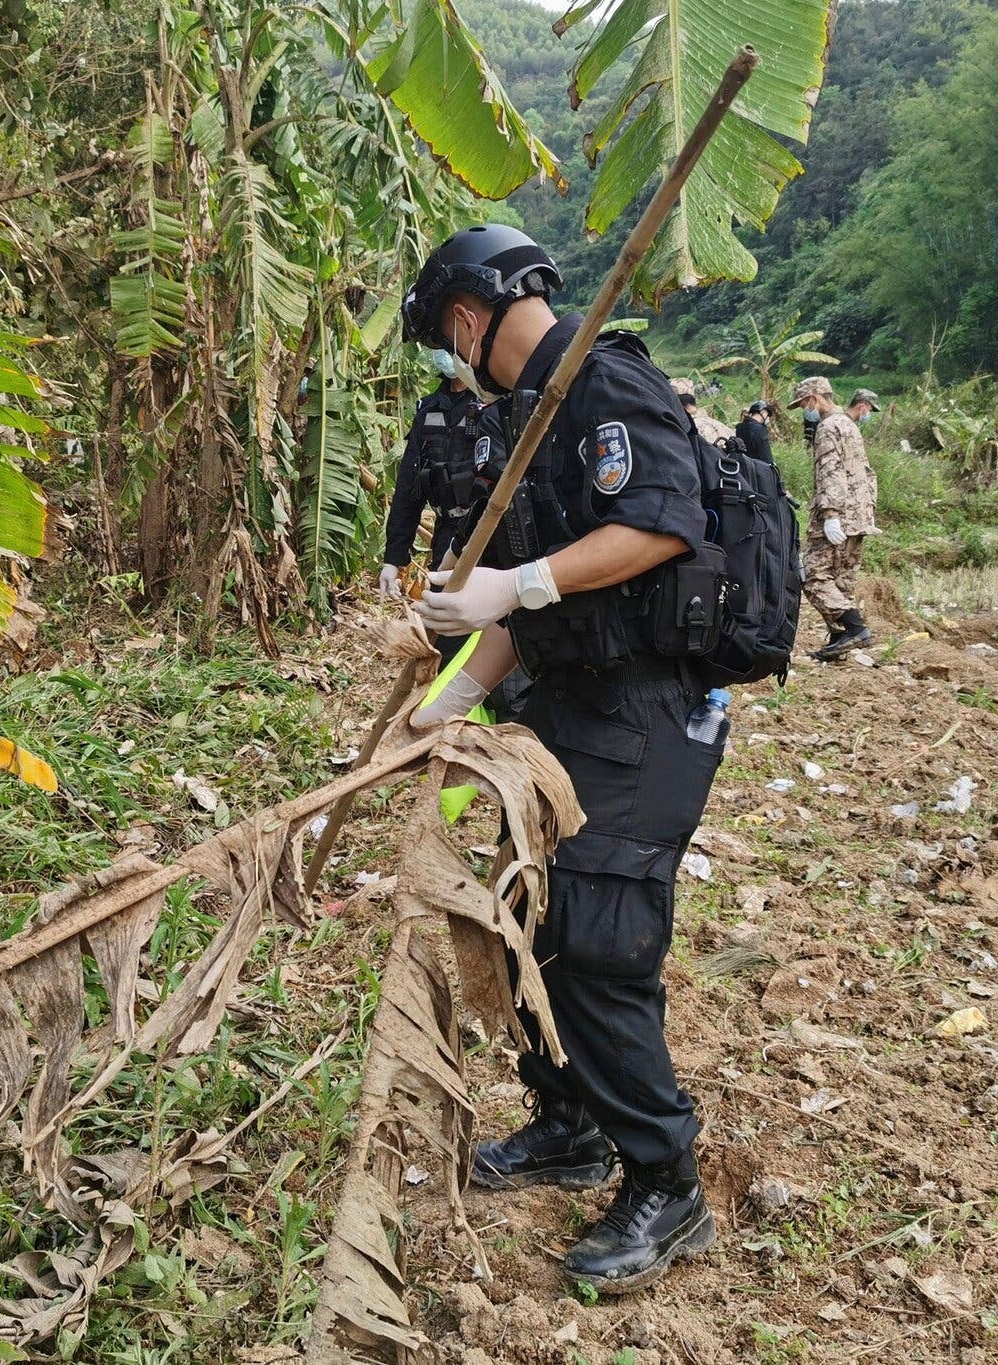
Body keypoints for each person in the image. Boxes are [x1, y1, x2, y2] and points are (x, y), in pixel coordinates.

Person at [400, 223, 723, 1293]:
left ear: (463, 318)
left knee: (596, 936)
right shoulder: (526, 420)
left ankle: (666, 1185)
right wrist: (443, 707)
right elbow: (516, 619)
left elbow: (660, 525)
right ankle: (568, 1122)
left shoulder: (600, 381)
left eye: (442, 347)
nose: (448, 368)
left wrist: (517, 582)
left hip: (648, 712)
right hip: (568, 704)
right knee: (530, 911)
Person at [379, 357, 483, 665]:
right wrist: (394, 560)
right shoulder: (429, 409)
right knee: (445, 629)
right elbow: (408, 491)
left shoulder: (491, 405)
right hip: (447, 535)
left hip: (485, 535)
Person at [790, 376, 878, 661]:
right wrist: (866, 512)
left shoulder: (827, 427)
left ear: (815, 397)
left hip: (838, 515)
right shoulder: (848, 425)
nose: (804, 408)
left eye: (804, 402)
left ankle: (854, 628)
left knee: (813, 576)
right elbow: (867, 474)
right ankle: (841, 638)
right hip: (858, 515)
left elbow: (831, 471)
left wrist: (830, 515)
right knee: (840, 580)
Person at [736, 398, 773, 465]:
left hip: (741, 466)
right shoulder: (760, 429)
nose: (768, 419)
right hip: (756, 469)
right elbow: (767, 458)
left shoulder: (739, 427)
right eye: (768, 415)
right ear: (763, 412)